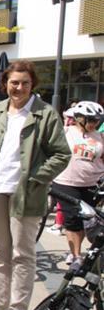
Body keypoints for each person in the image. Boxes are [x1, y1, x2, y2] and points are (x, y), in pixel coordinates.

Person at [0, 60, 70, 310]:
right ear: (5, 84)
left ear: (32, 85)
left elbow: (62, 154)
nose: (19, 87)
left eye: (25, 83)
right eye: (14, 82)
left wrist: (37, 178)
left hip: (26, 193)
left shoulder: (45, 114)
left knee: (22, 254)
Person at [52, 101, 104, 265]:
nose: (94, 124)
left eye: (97, 121)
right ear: (80, 118)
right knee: (73, 220)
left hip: (91, 184)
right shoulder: (65, 132)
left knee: (88, 222)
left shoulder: (100, 136)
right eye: (91, 120)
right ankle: (76, 256)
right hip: (66, 183)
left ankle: (80, 251)